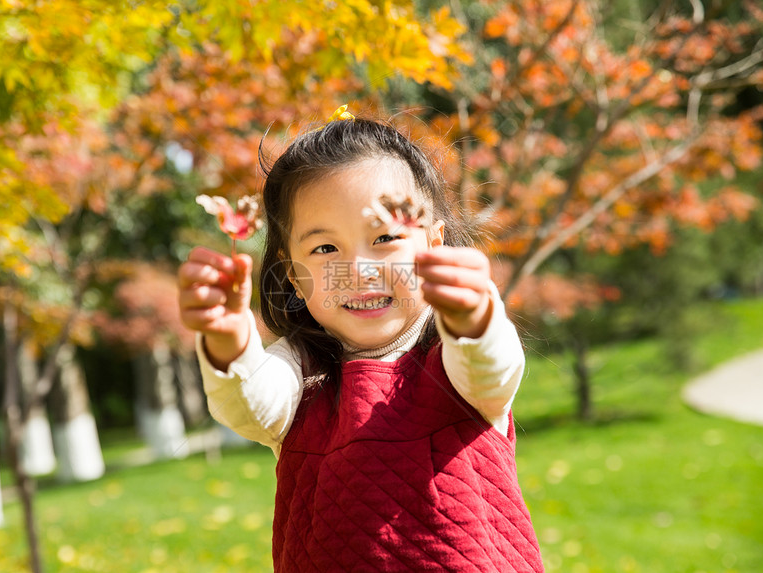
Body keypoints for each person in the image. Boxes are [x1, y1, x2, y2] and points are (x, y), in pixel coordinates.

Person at [178, 109, 544, 572]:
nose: (358, 270)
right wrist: (228, 339)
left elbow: (491, 365)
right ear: (292, 273)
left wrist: (474, 316)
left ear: (434, 244)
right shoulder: (301, 373)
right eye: (325, 248)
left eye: (385, 237)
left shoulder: (453, 359)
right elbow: (253, 403)